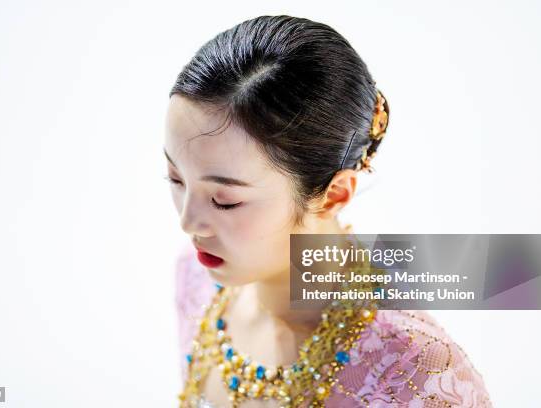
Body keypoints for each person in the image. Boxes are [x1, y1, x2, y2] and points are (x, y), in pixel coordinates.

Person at [164, 15, 493, 407]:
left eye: (225, 200)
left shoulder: (413, 371)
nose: (188, 222)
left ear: (334, 194)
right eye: (175, 178)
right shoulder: (198, 280)